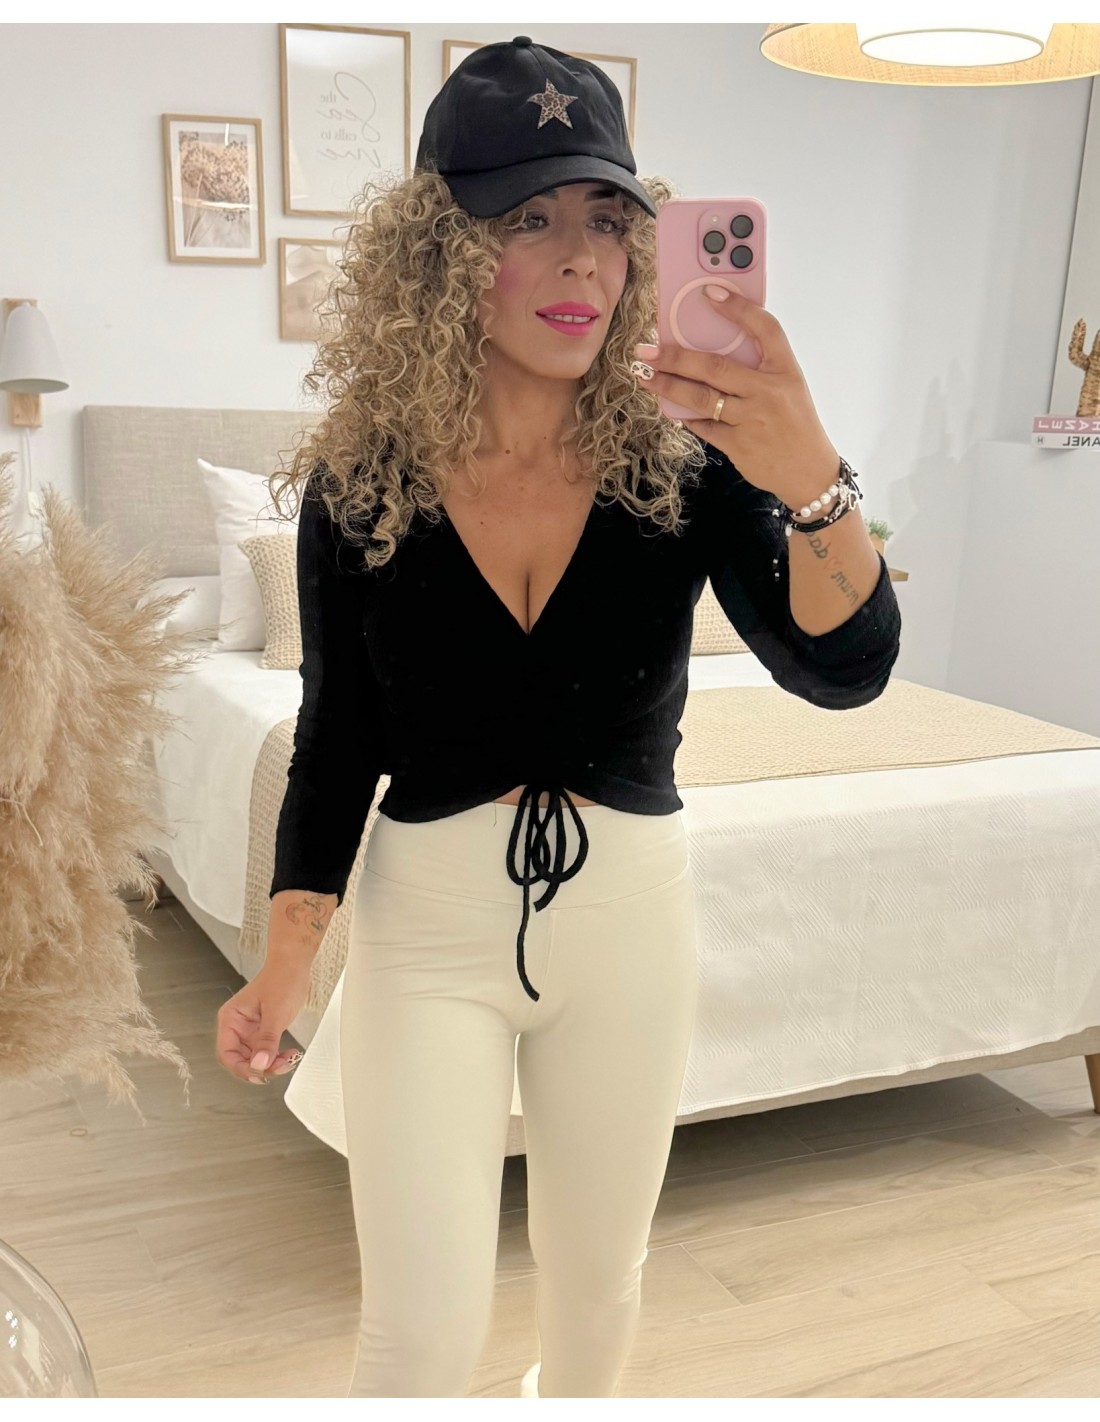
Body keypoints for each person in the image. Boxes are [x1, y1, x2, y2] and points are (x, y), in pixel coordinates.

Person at [215, 37, 902, 1398]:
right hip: (428, 935)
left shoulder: (689, 463)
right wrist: (287, 963)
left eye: (606, 218)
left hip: (630, 924)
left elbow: (846, 668)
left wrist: (811, 479)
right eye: (527, 219)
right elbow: (337, 740)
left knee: (597, 1305)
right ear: (441, 254)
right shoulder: (363, 484)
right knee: (417, 1333)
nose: (581, 260)